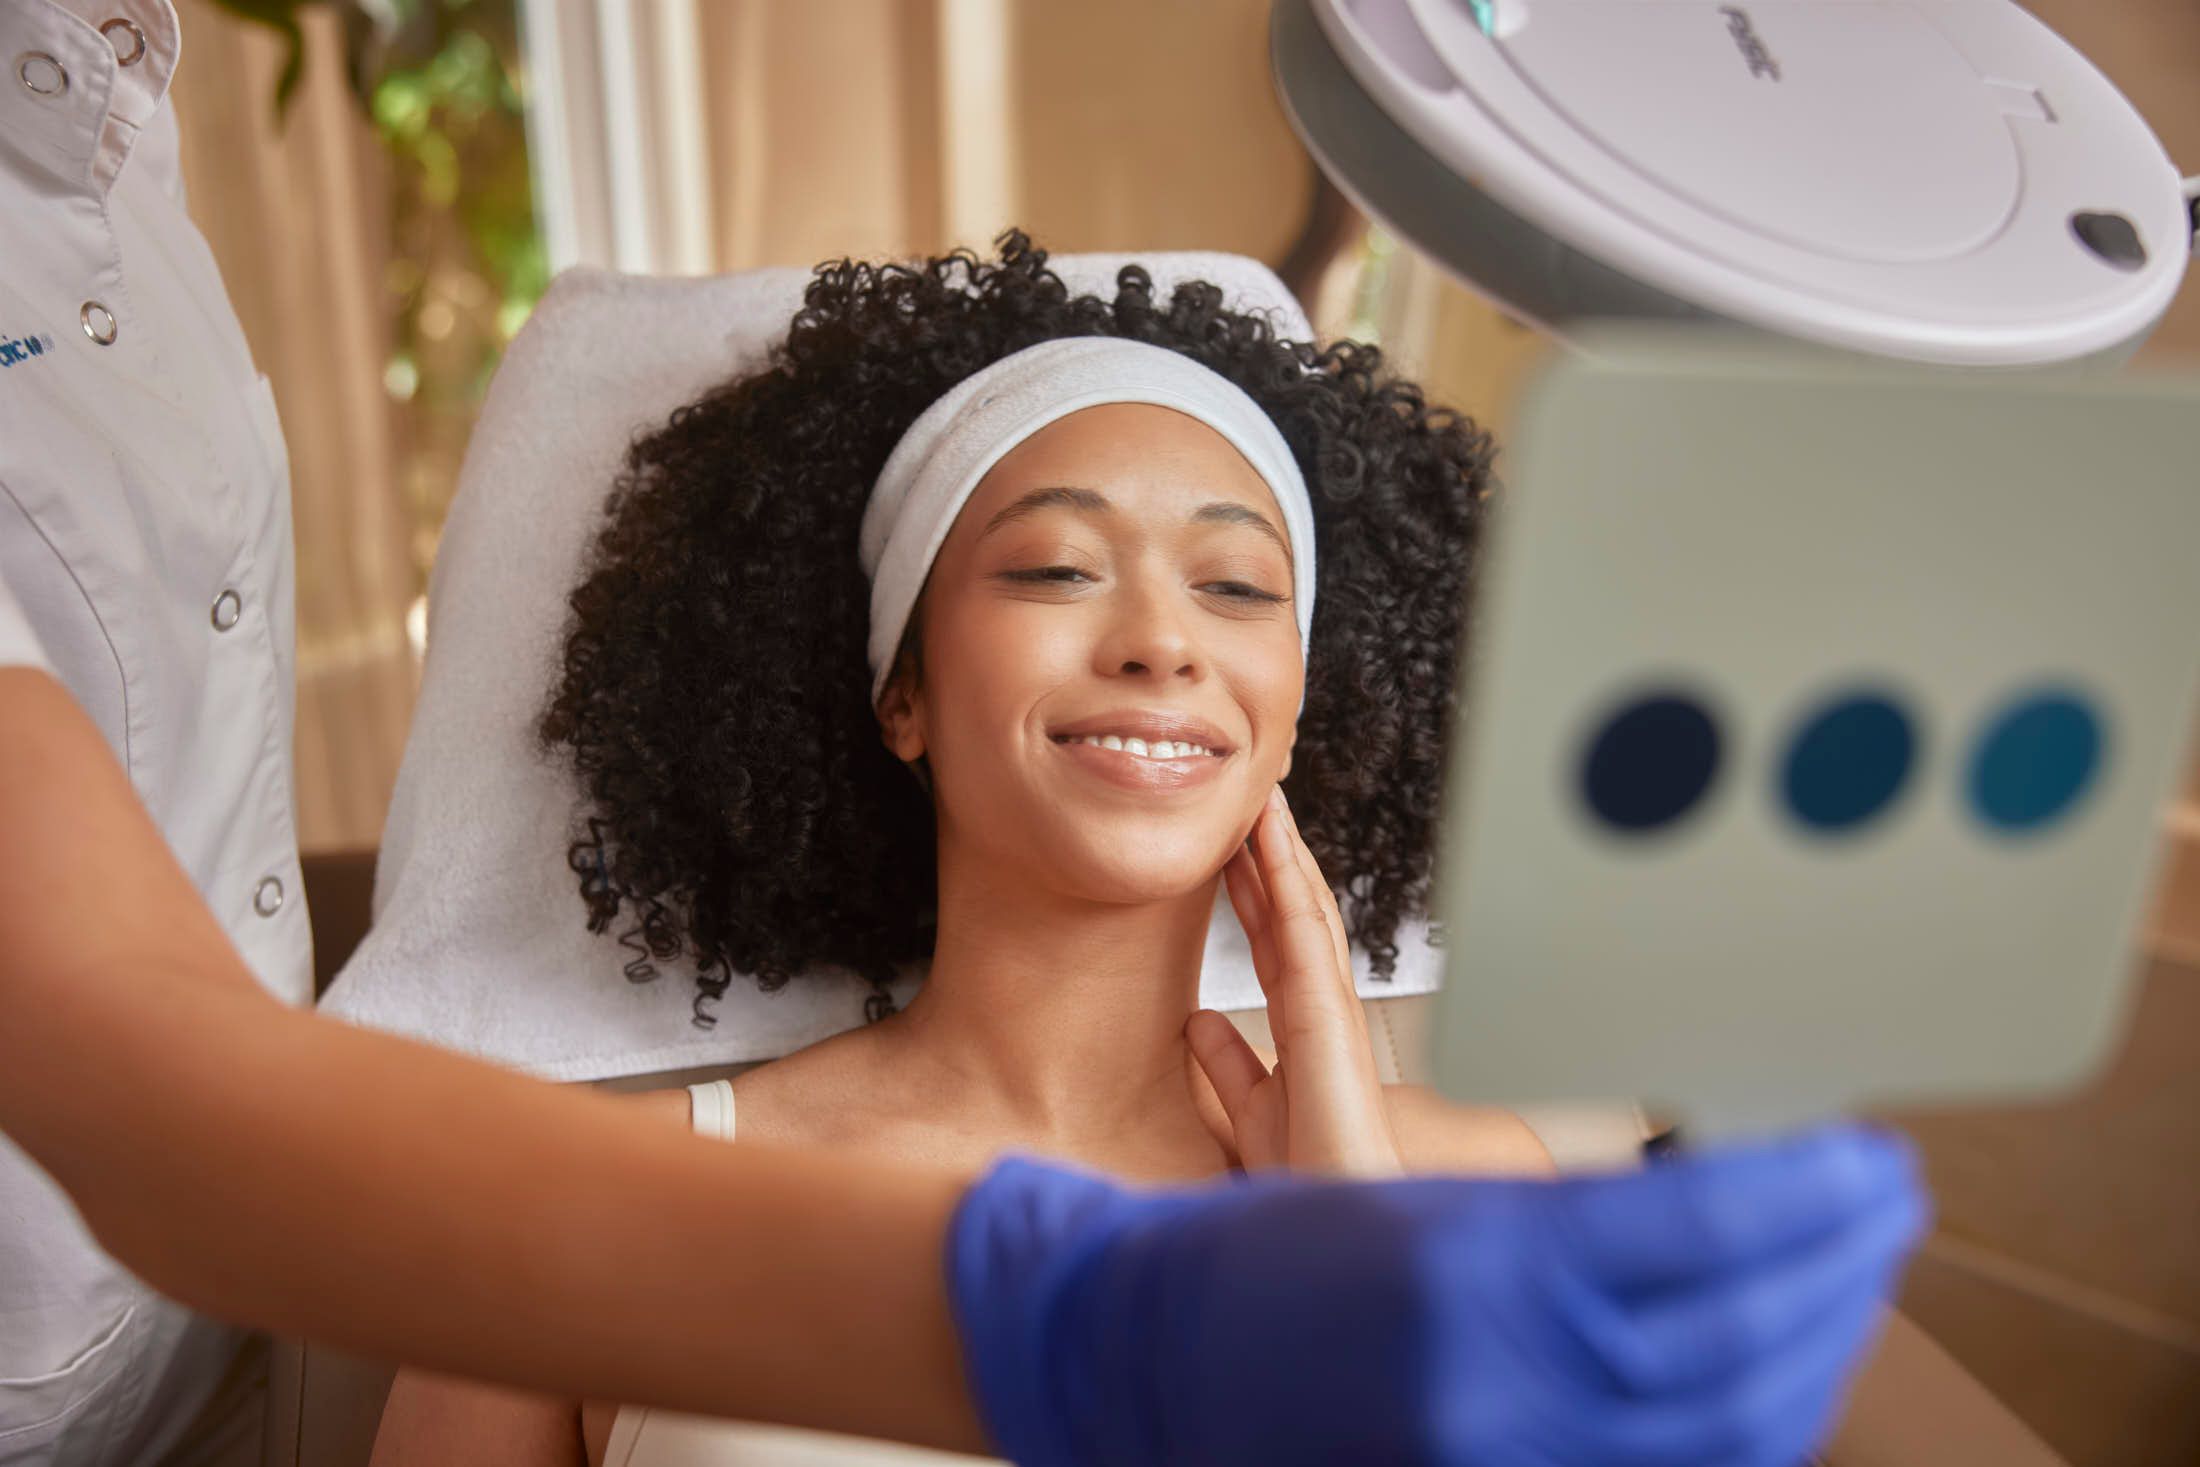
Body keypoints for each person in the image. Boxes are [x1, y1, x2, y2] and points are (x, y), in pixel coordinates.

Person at [0, 2, 1923, 1463]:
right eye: (1054, 571)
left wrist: (1363, 1214)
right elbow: (133, 1079)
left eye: (1242, 591)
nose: (1166, 642)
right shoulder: (570, 1223)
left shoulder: (1479, 1185)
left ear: (1307, 706)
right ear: (896, 695)